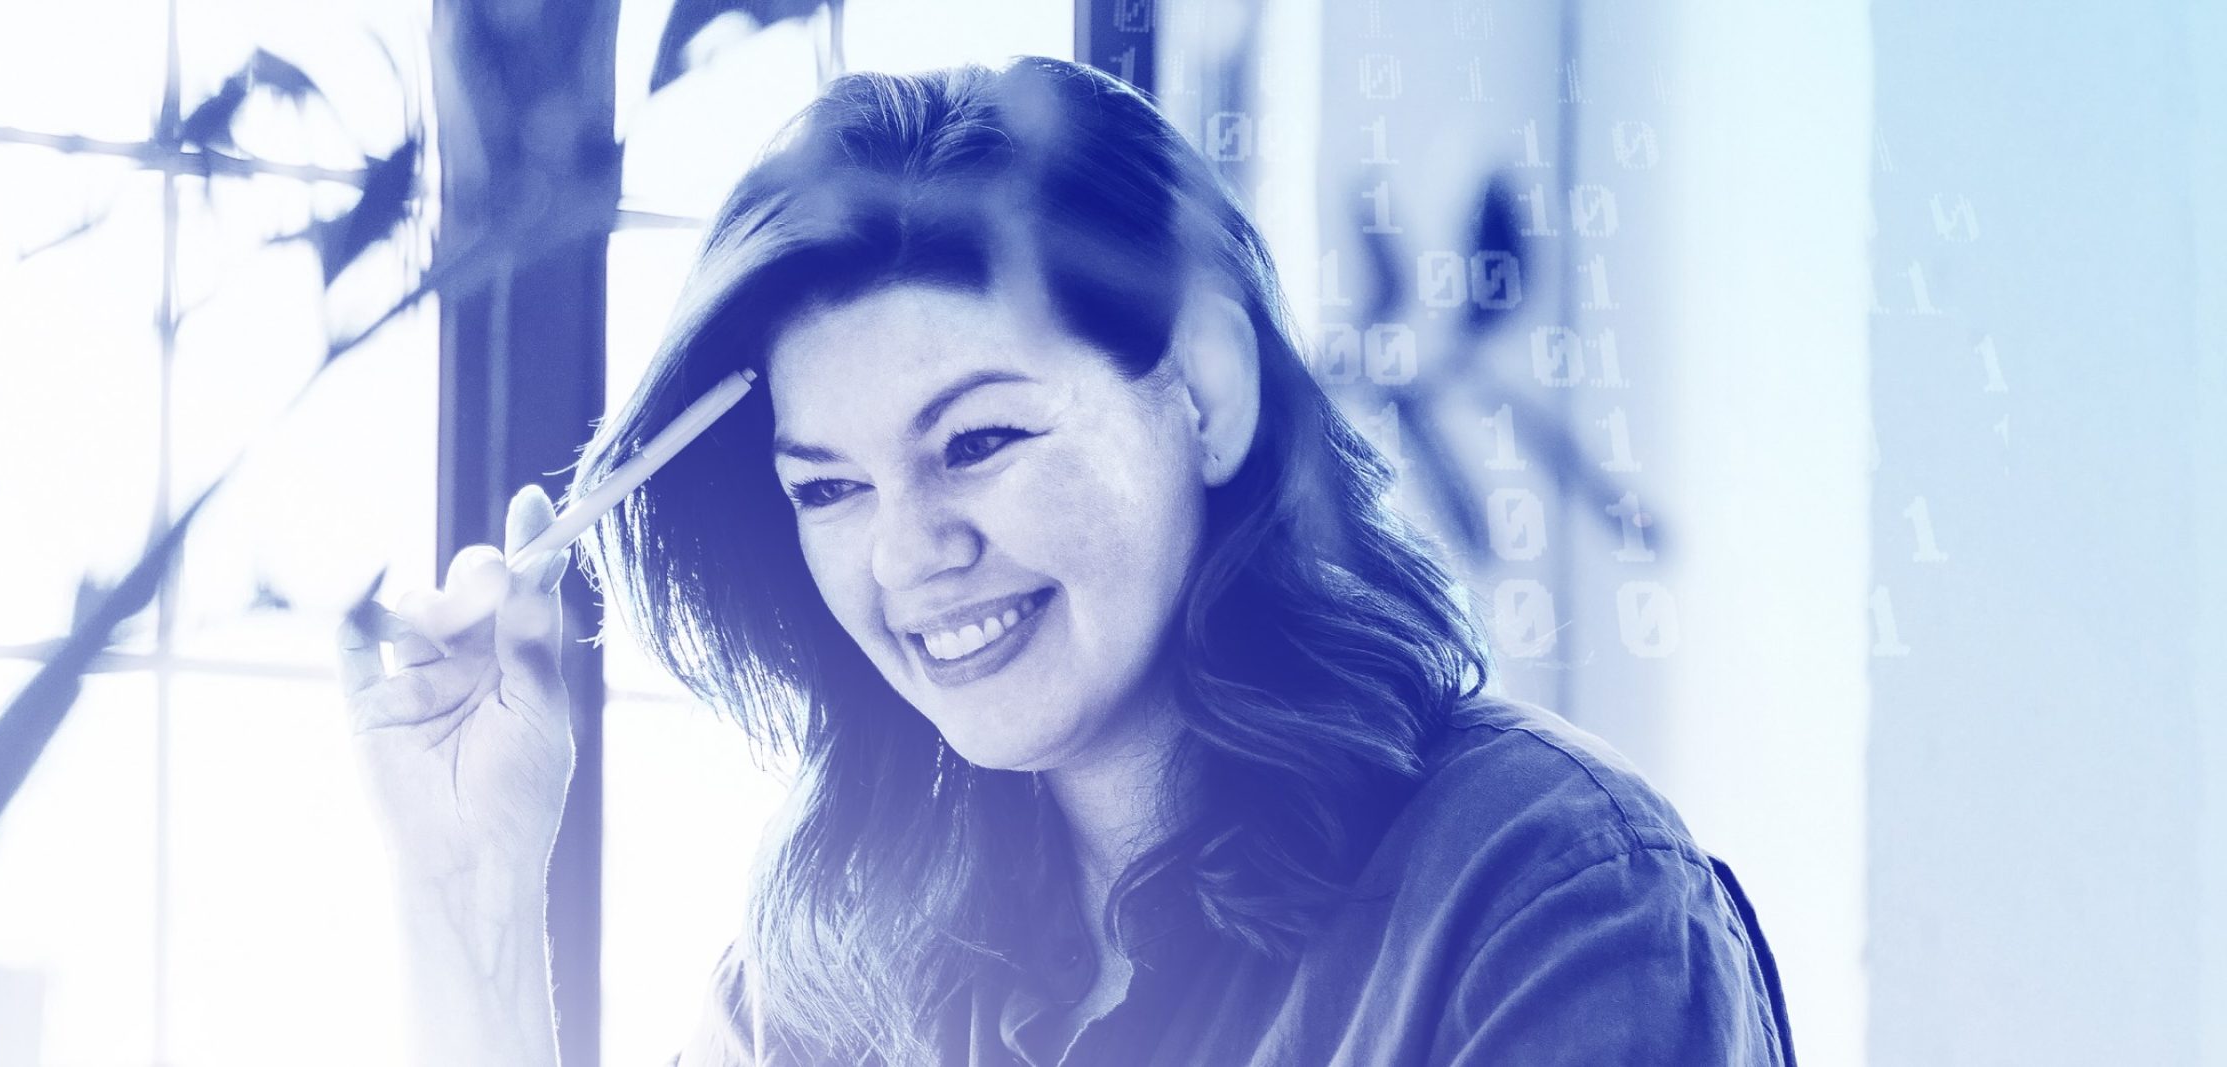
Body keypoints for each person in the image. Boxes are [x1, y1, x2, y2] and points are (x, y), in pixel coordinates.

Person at [339, 56, 1795, 1067]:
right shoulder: (830, 960)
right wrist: (474, 895)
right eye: (829, 486)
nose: (910, 553)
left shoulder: (1549, 894)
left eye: (978, 442)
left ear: (1205, 392)